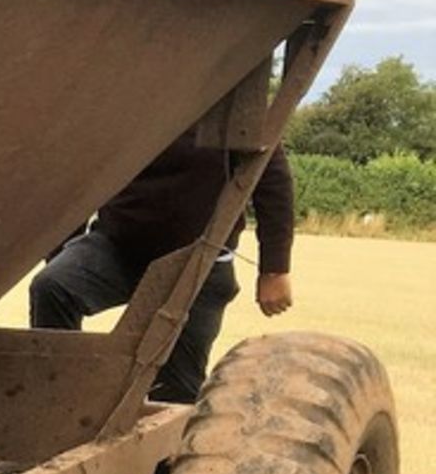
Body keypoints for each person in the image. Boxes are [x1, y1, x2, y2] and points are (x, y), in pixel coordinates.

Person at [29, 131, 296, 404]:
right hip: (117, 246)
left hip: (199, 261)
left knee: (176, 390)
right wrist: (63, 251)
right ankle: (58, 399)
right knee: (53, 286)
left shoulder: (233, 104)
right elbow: (82, 176)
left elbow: (273, 182)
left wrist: (274, 270)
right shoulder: (121, 102)